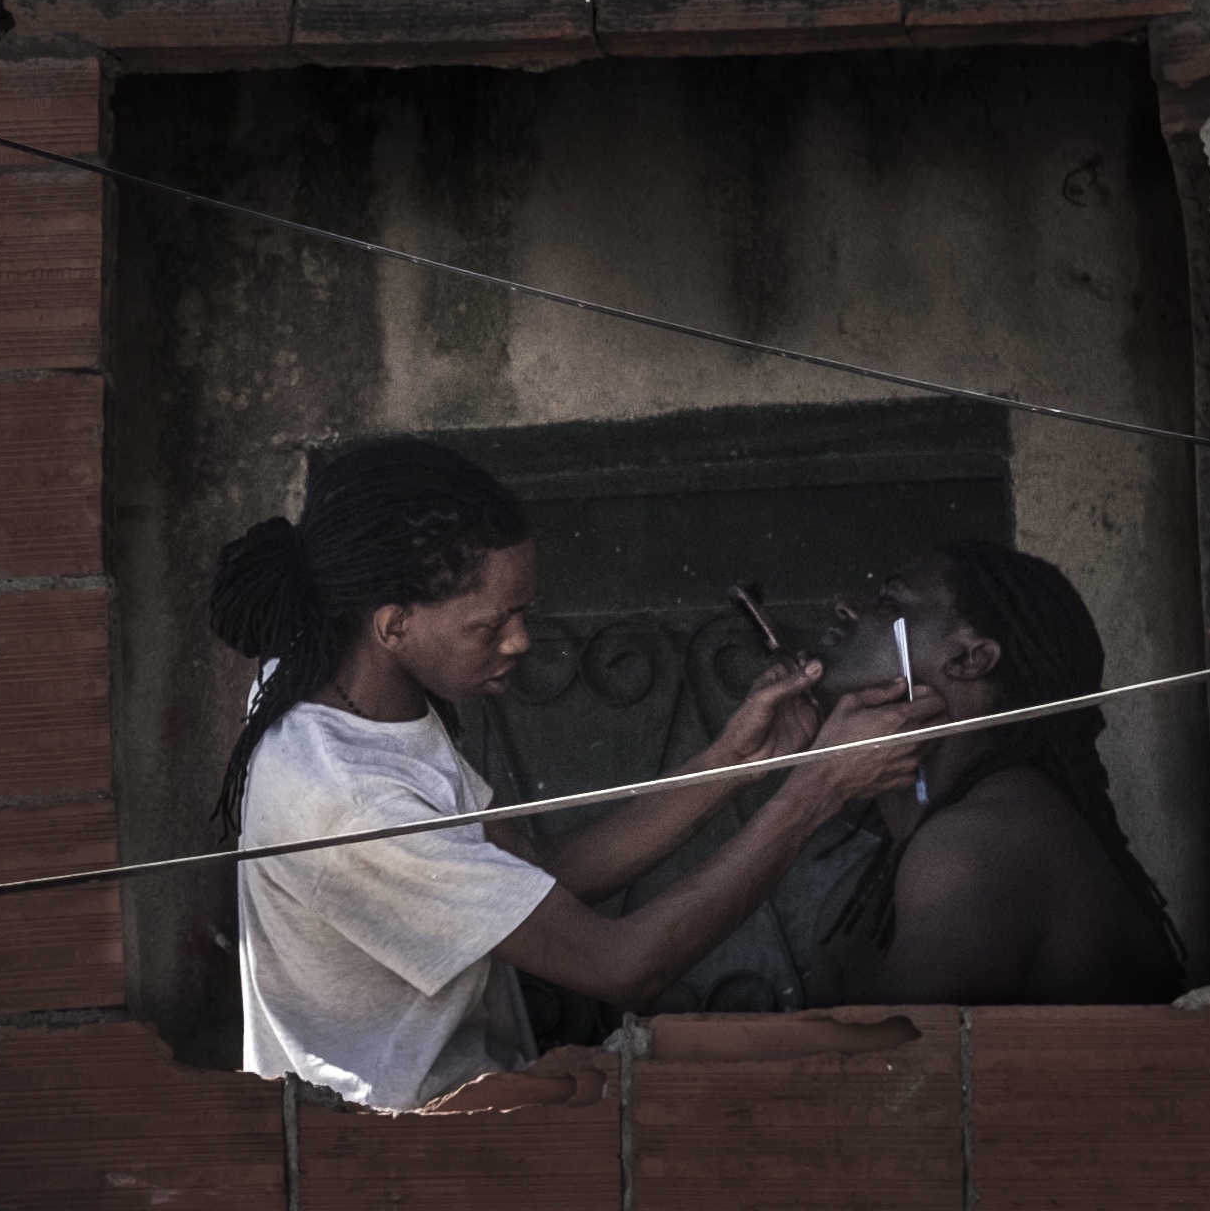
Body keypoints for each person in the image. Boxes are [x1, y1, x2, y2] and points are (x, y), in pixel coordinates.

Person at [212, 437, 923, 1111]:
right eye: (490, 626)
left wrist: (734, 762)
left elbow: (535, 875)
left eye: (522, 613)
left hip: (460, 1113)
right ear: (394, 625)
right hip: (390, 1159)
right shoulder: (347, 796)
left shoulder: (349, 688)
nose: (519, 641)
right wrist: (818, 789)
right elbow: (624, 965)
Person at [789, 542, 1189, 1007]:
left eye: (890, 602)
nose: (846, 607)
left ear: (968, 659)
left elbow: (903, 1071)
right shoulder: (863, 888)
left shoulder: (981, 842)